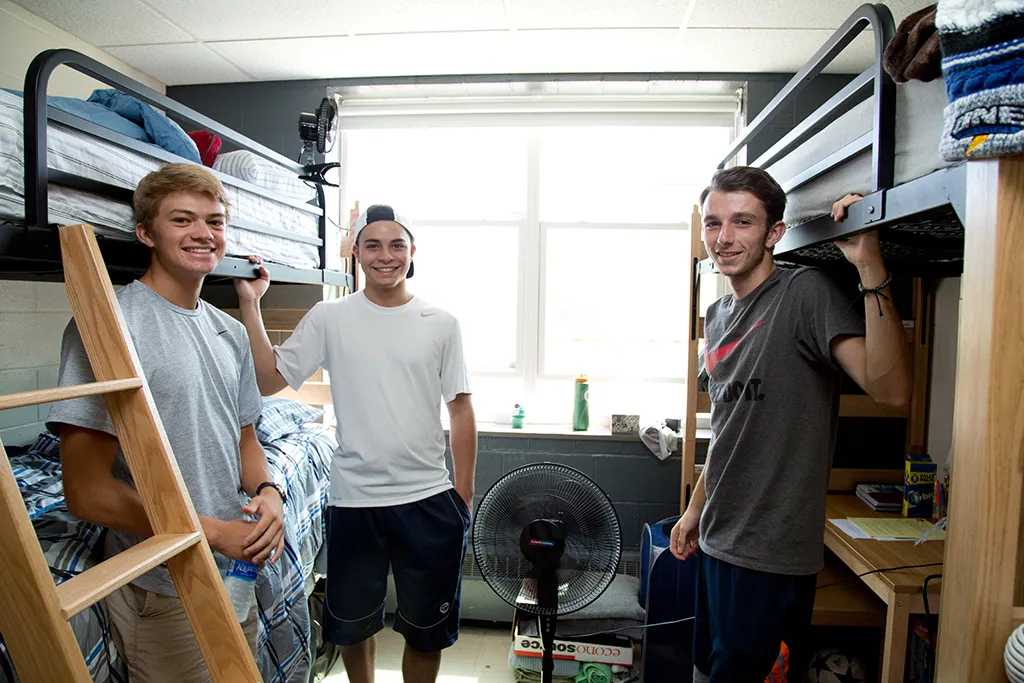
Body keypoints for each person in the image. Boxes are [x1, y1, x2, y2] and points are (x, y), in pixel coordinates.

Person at [669, 168, 912, 682]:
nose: (724, 238)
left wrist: (868, 262)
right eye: (714, 224)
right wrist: (694, 511)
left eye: (742, 222)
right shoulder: (715, 315)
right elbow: (731, 429)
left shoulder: (804, 294)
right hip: (717, 539)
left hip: (771, 554)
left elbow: (890, 390)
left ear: (775, 233)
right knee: (709, 670)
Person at [46, 163, 286, 683]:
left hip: (234, 568)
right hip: (162, 581)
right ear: (146, 233)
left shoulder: (229, 330)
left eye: (215, 221)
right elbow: (86, 493)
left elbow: (244, 437)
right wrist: (209, 532)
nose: (204, 233)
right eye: (183, 220)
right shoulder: (111, 326)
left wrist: (269, 491)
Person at [234, 203, 477, 683]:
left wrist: (463, 498)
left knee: (426, 631)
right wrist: (250, 303)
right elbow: (267, 379)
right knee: (351, 626)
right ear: (357, 254)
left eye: (396, 245)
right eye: (372, 245)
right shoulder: (330, 317)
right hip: (354, 501)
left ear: (412, 252)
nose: (385, 255)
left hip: (428, 500)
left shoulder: (441, 323)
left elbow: (461, 409)